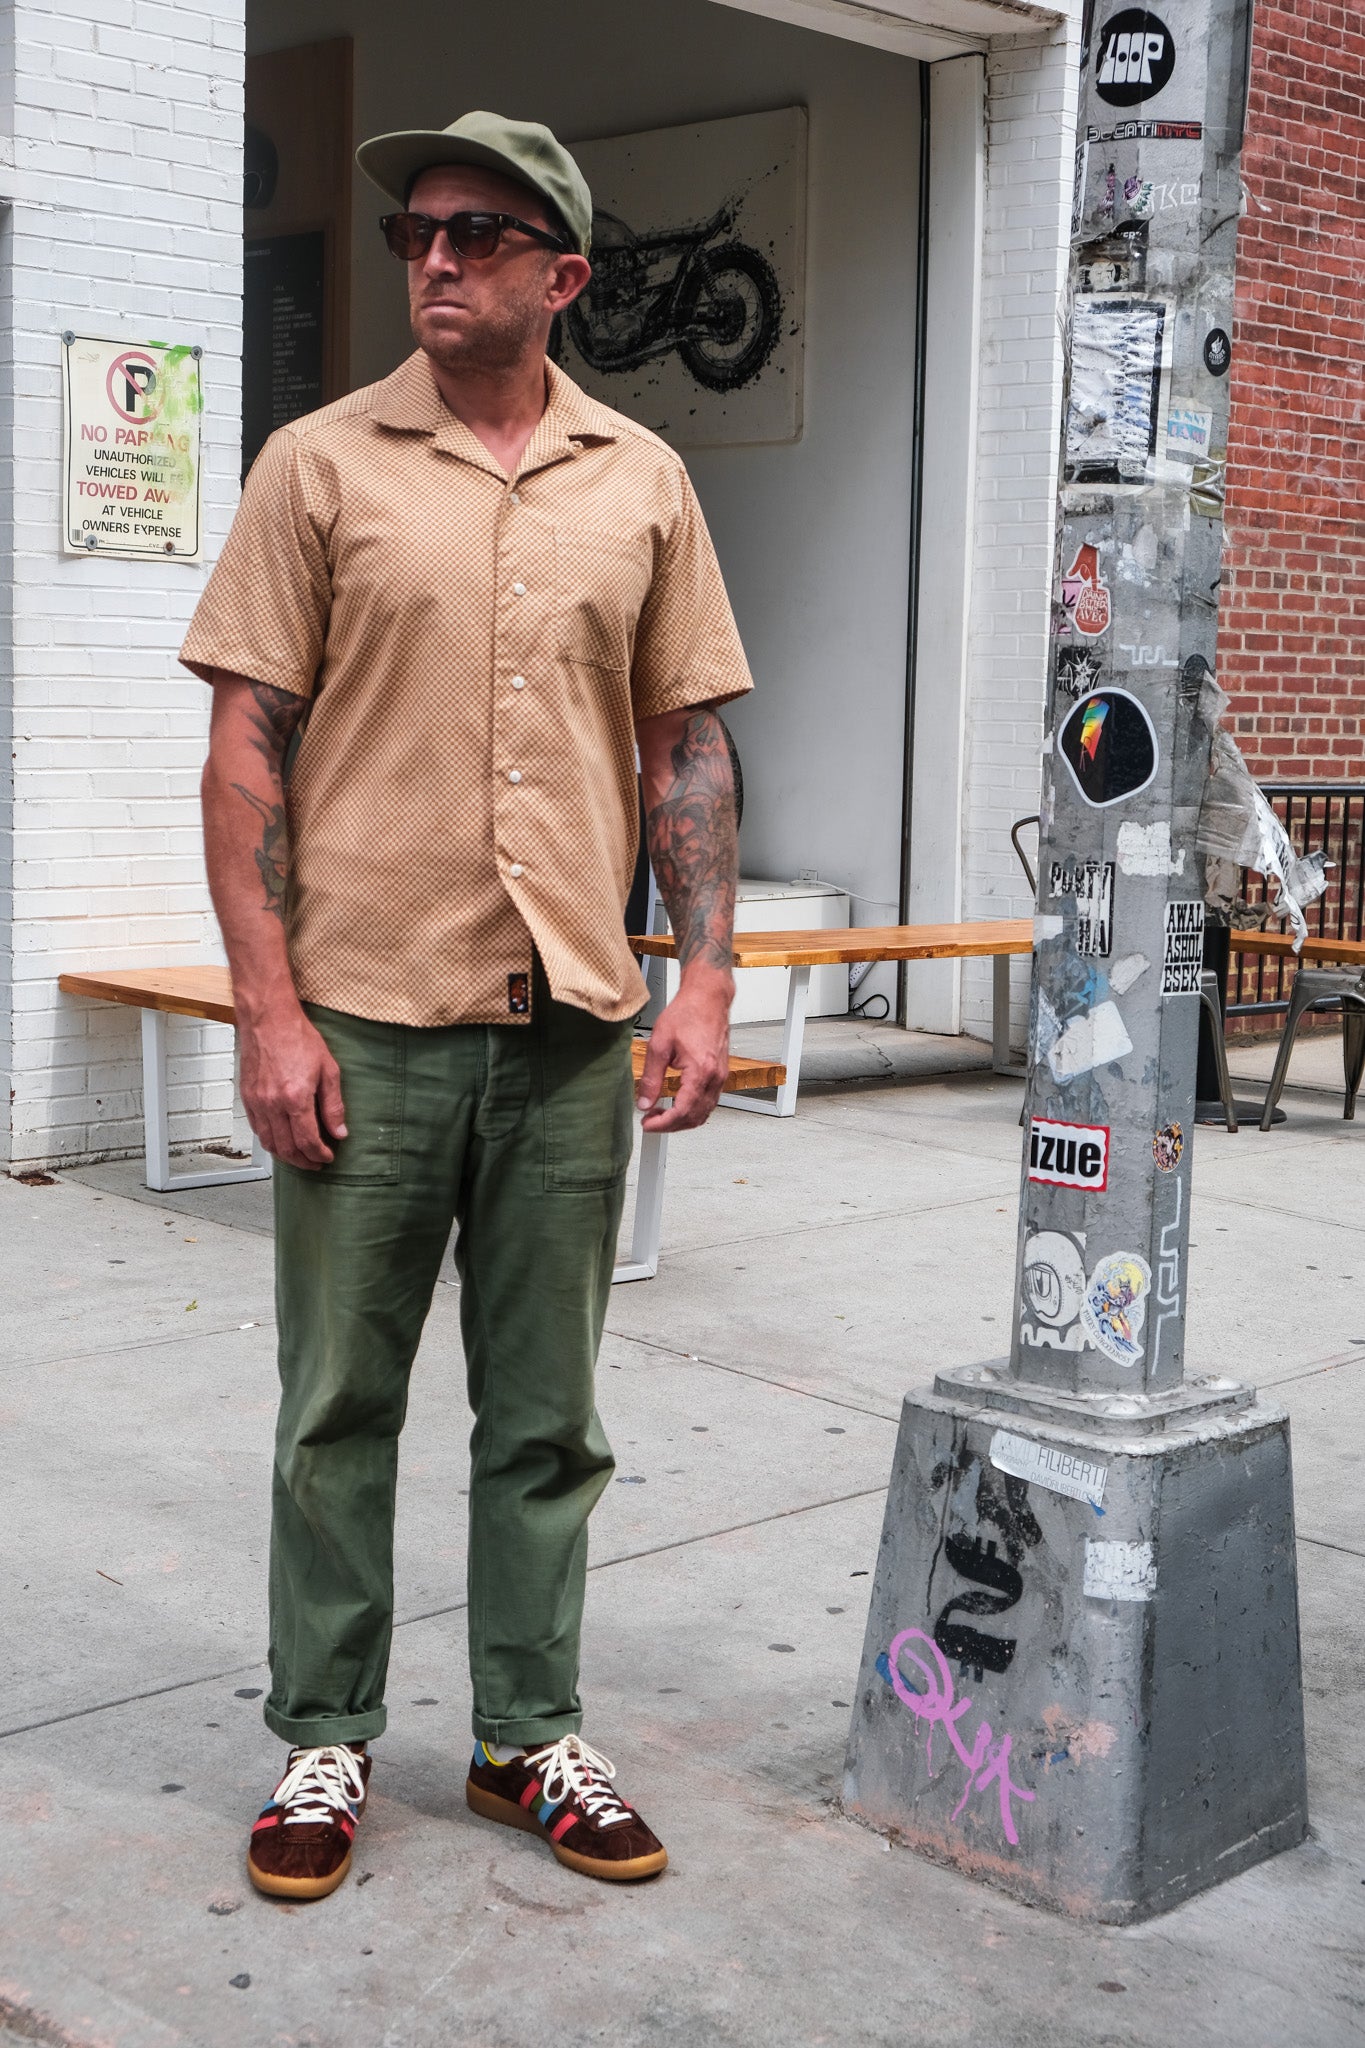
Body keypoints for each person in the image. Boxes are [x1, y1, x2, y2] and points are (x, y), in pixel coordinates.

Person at [183, 110, 752, 1899]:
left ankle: (525, 1738)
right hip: (363, 1019)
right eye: (415, 232)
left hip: (572, 1025)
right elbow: (241, 748)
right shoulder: (318, 466)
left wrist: (708, 974)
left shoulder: (641, 480)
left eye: (479, 234)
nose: (433, 258)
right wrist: (268, 1012)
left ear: (563, 277)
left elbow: (686, 743)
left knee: (548, 1416)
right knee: (336, 1408)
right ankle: (324, 1740)